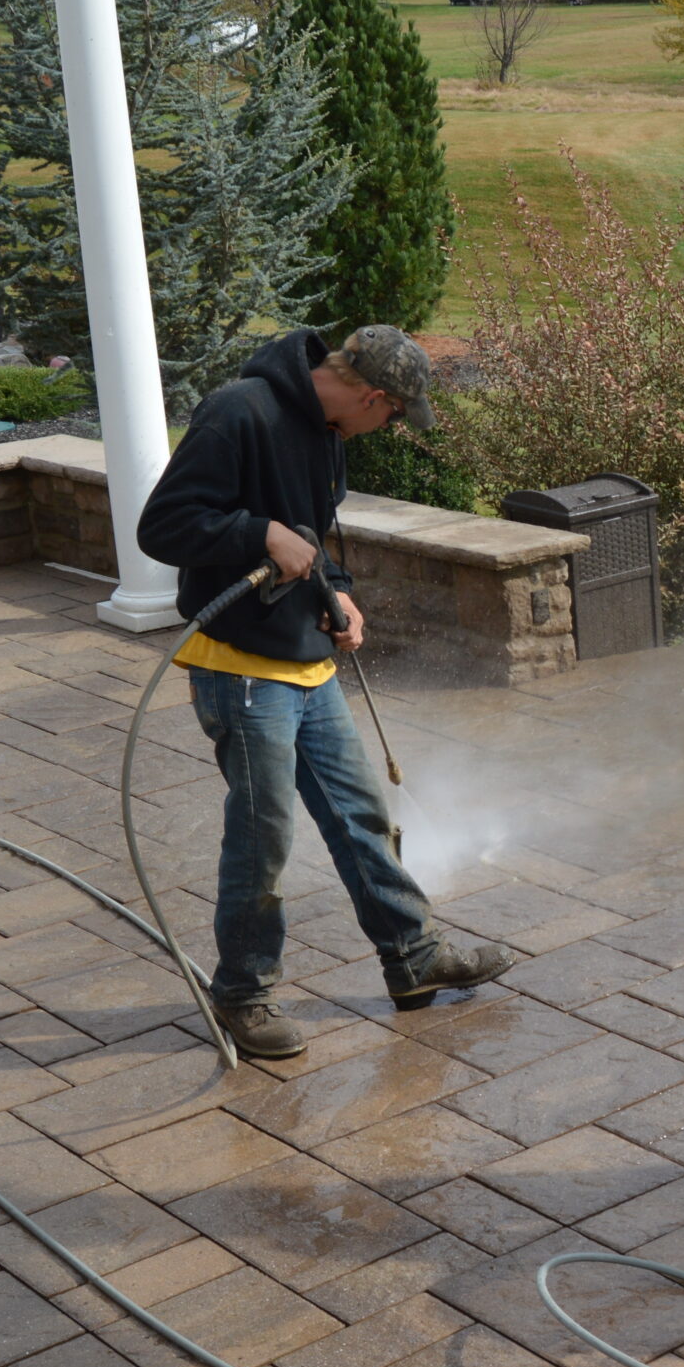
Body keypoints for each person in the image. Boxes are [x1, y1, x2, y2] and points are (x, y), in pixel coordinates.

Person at [138, 326, 515, 1059]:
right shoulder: (239, 411)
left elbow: (317, 532)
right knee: (263, 834)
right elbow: (163, 525)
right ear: (376, 396)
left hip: (307, 663)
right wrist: (259, 534)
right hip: (242, 667)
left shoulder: (326, 431)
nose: (389, 429)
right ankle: (243, 994)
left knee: (360, 815)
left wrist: (337, 593)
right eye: (394, 416)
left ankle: (413, 957)